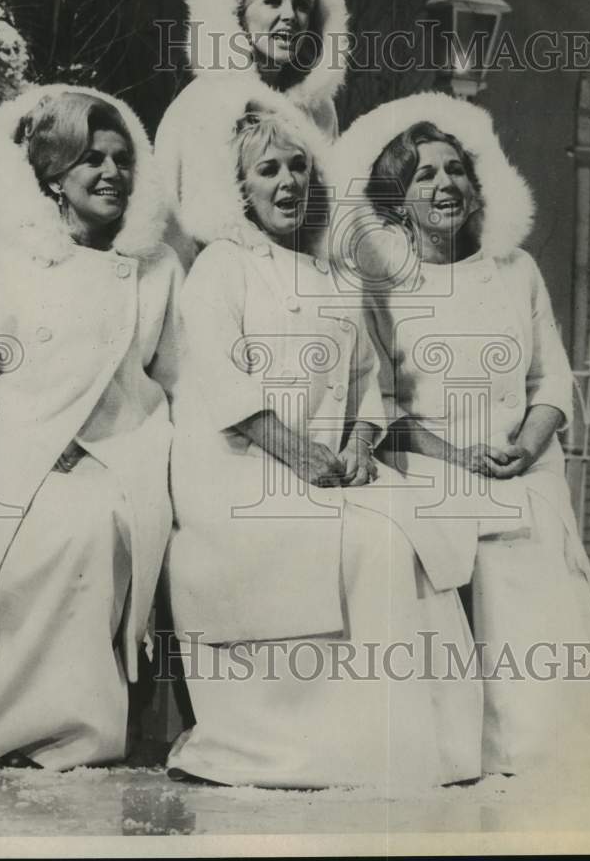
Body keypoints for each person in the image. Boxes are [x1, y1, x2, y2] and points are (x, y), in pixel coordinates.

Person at [164, 94, 483, 791]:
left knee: (413, 523)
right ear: (241, 190)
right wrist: (301, 455)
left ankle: (422, 744)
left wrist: (362, 445)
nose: (287, 183)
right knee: (372, 542)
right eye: (268, 171)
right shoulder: (222, 266)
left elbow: (369, 383)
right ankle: (316, 745)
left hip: (326, 467)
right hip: (238, 468)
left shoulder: (329, 276)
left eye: (298, 167)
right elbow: (220, 388)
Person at [0, 86, 183, 770]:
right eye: (92, 160)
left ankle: (78, 728)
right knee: (31, 541)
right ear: (55, 175)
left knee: (87, 530)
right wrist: (12, 447)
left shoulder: (156, 268)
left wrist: (121, 453)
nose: (112, 173)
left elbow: (177, 379)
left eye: (121, 159)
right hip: (13, 446)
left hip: (123, 449)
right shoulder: (8, 259)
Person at [334, 91, 590, 775]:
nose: (444, 184)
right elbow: (379, 411)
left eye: (454, 170)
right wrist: (457, 456)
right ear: (398, 201)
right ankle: (451, 745)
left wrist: (526, 445)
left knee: (532, 541)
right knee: (435, 540)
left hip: (519, 463)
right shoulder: (382, 288)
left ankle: (537, 743)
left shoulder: (515, 272)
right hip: (426, 465)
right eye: (424, 174)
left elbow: (553, 379)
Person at [154, 0, 349, 268]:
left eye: (302, 4)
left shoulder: (320, 111)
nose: (290, 16)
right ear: (237, 13)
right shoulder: (201, 105)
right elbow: (172, 233)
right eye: (273, 1)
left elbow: (328, 220)